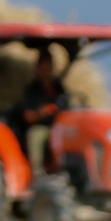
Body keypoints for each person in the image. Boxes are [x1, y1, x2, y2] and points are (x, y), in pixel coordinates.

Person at [15, 46, 70, 175]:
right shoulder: (32, 90)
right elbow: (27, 116)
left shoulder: (59, 88)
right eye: (43, 66)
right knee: (36, 135)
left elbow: (66, 106)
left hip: (61, 127)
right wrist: (41, 113)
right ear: (38, 68)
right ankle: (37, 173)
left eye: (49, 66)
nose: (46, 70)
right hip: (42, 126)